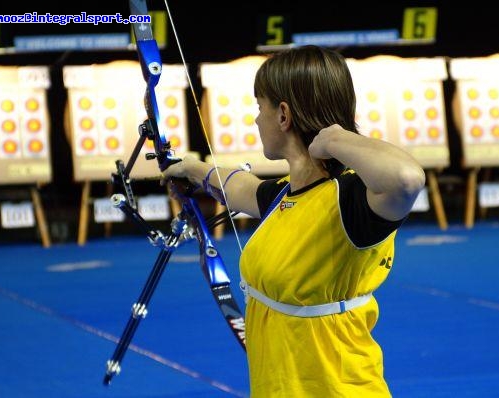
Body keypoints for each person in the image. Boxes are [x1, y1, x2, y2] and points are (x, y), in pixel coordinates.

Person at [163, 45, 425, 397]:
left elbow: (406, 177)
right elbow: (241, 186)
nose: (257, 120)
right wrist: (190, 169)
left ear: (283, 115)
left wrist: (332, 137)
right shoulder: (285, 195)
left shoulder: (351, 199)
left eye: (261, 108)